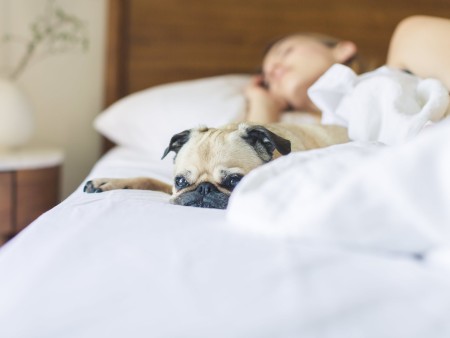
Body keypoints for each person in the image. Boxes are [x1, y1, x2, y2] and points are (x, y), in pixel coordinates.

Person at [245, 15, 450, 124]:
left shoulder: (408, 44)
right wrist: (261, 103)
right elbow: (246, 166)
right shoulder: (314, 144)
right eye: (268, 80)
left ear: (342, 49)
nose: (272, 68)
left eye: (285, 51)